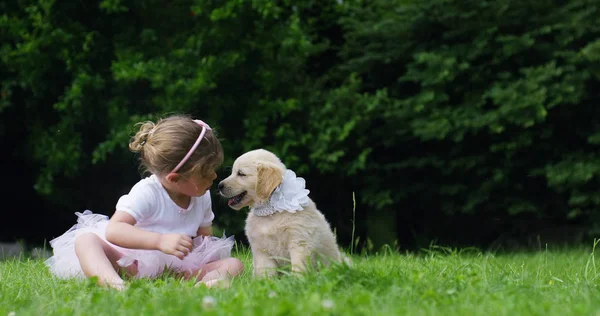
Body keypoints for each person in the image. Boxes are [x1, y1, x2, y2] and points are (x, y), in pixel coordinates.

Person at [45, 114, 244, 290]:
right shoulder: (148, 193)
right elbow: (114, 230)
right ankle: (115, 286)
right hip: (132, 263)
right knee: (86, 240)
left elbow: (204, 237)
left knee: (234, 264)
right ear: (174, 178)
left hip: (177, 268)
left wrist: (206, 257)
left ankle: (198, 287)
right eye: (205, 173)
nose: (214, 176)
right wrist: (159, 241)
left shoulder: (201, 195)